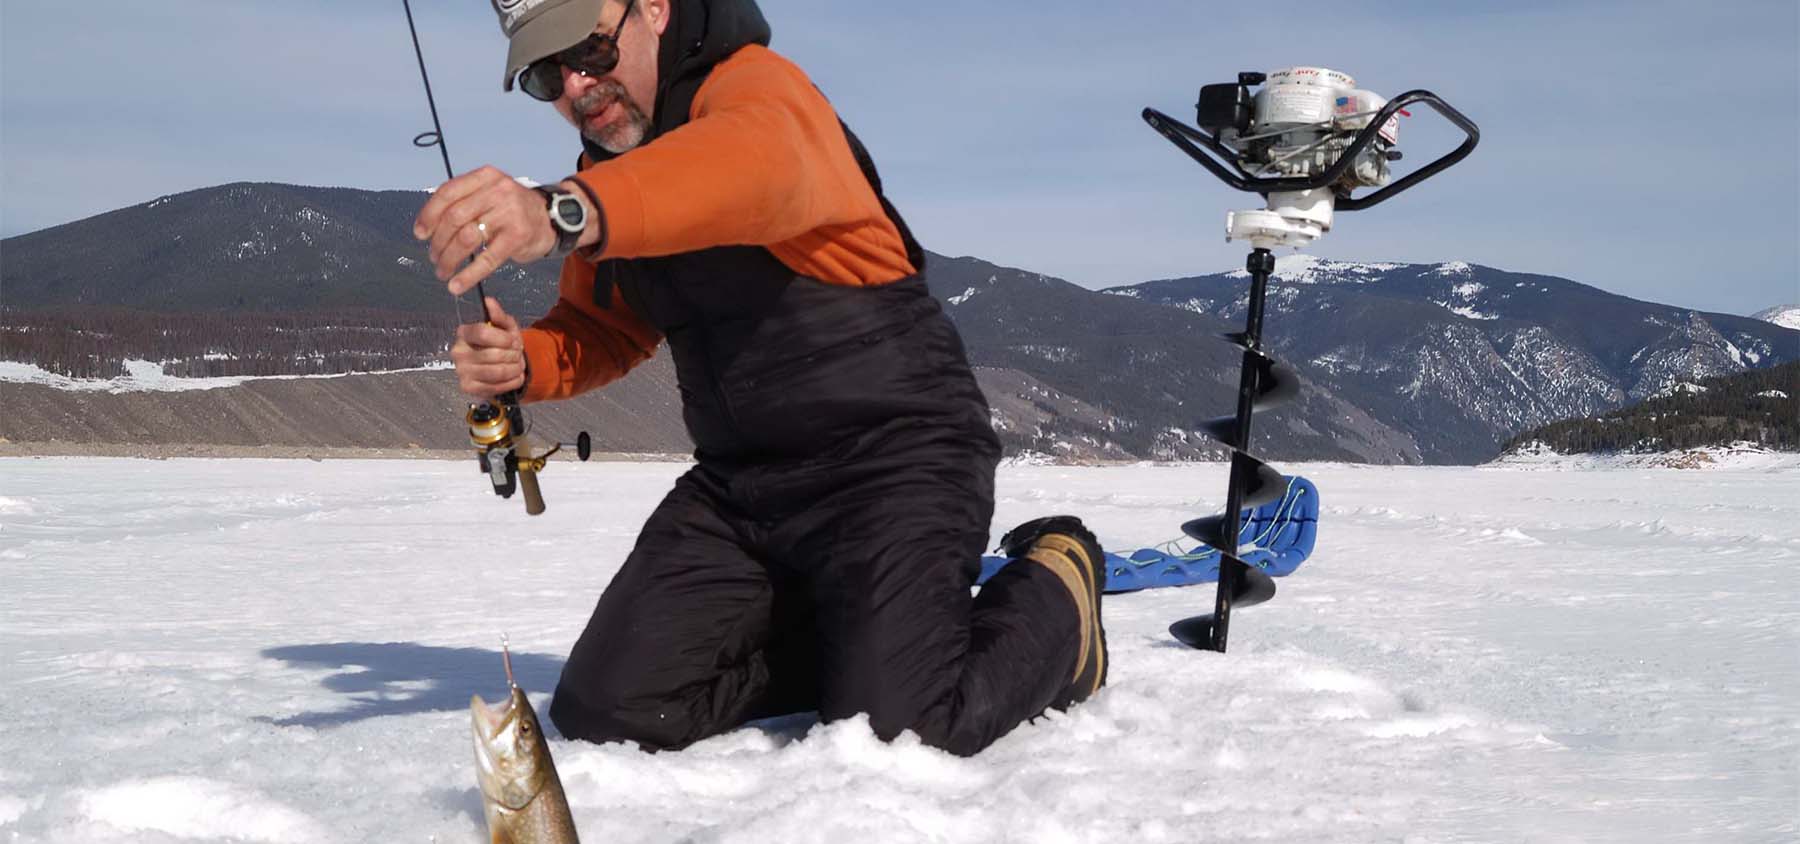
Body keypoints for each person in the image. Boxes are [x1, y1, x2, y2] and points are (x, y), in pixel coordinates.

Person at [412, 0, 1108, 757]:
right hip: (742, 493)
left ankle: (1060, 590)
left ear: (653, 9)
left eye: (590, 51)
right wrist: (524, 364)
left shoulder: (759, 93)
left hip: (894, 461)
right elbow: (607, 327)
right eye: (550, 73)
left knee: (903, 734)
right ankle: (861, 648)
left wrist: (564, 213)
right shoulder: (604, 177)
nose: (578, 86)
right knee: (609, 712)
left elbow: (749, 171)